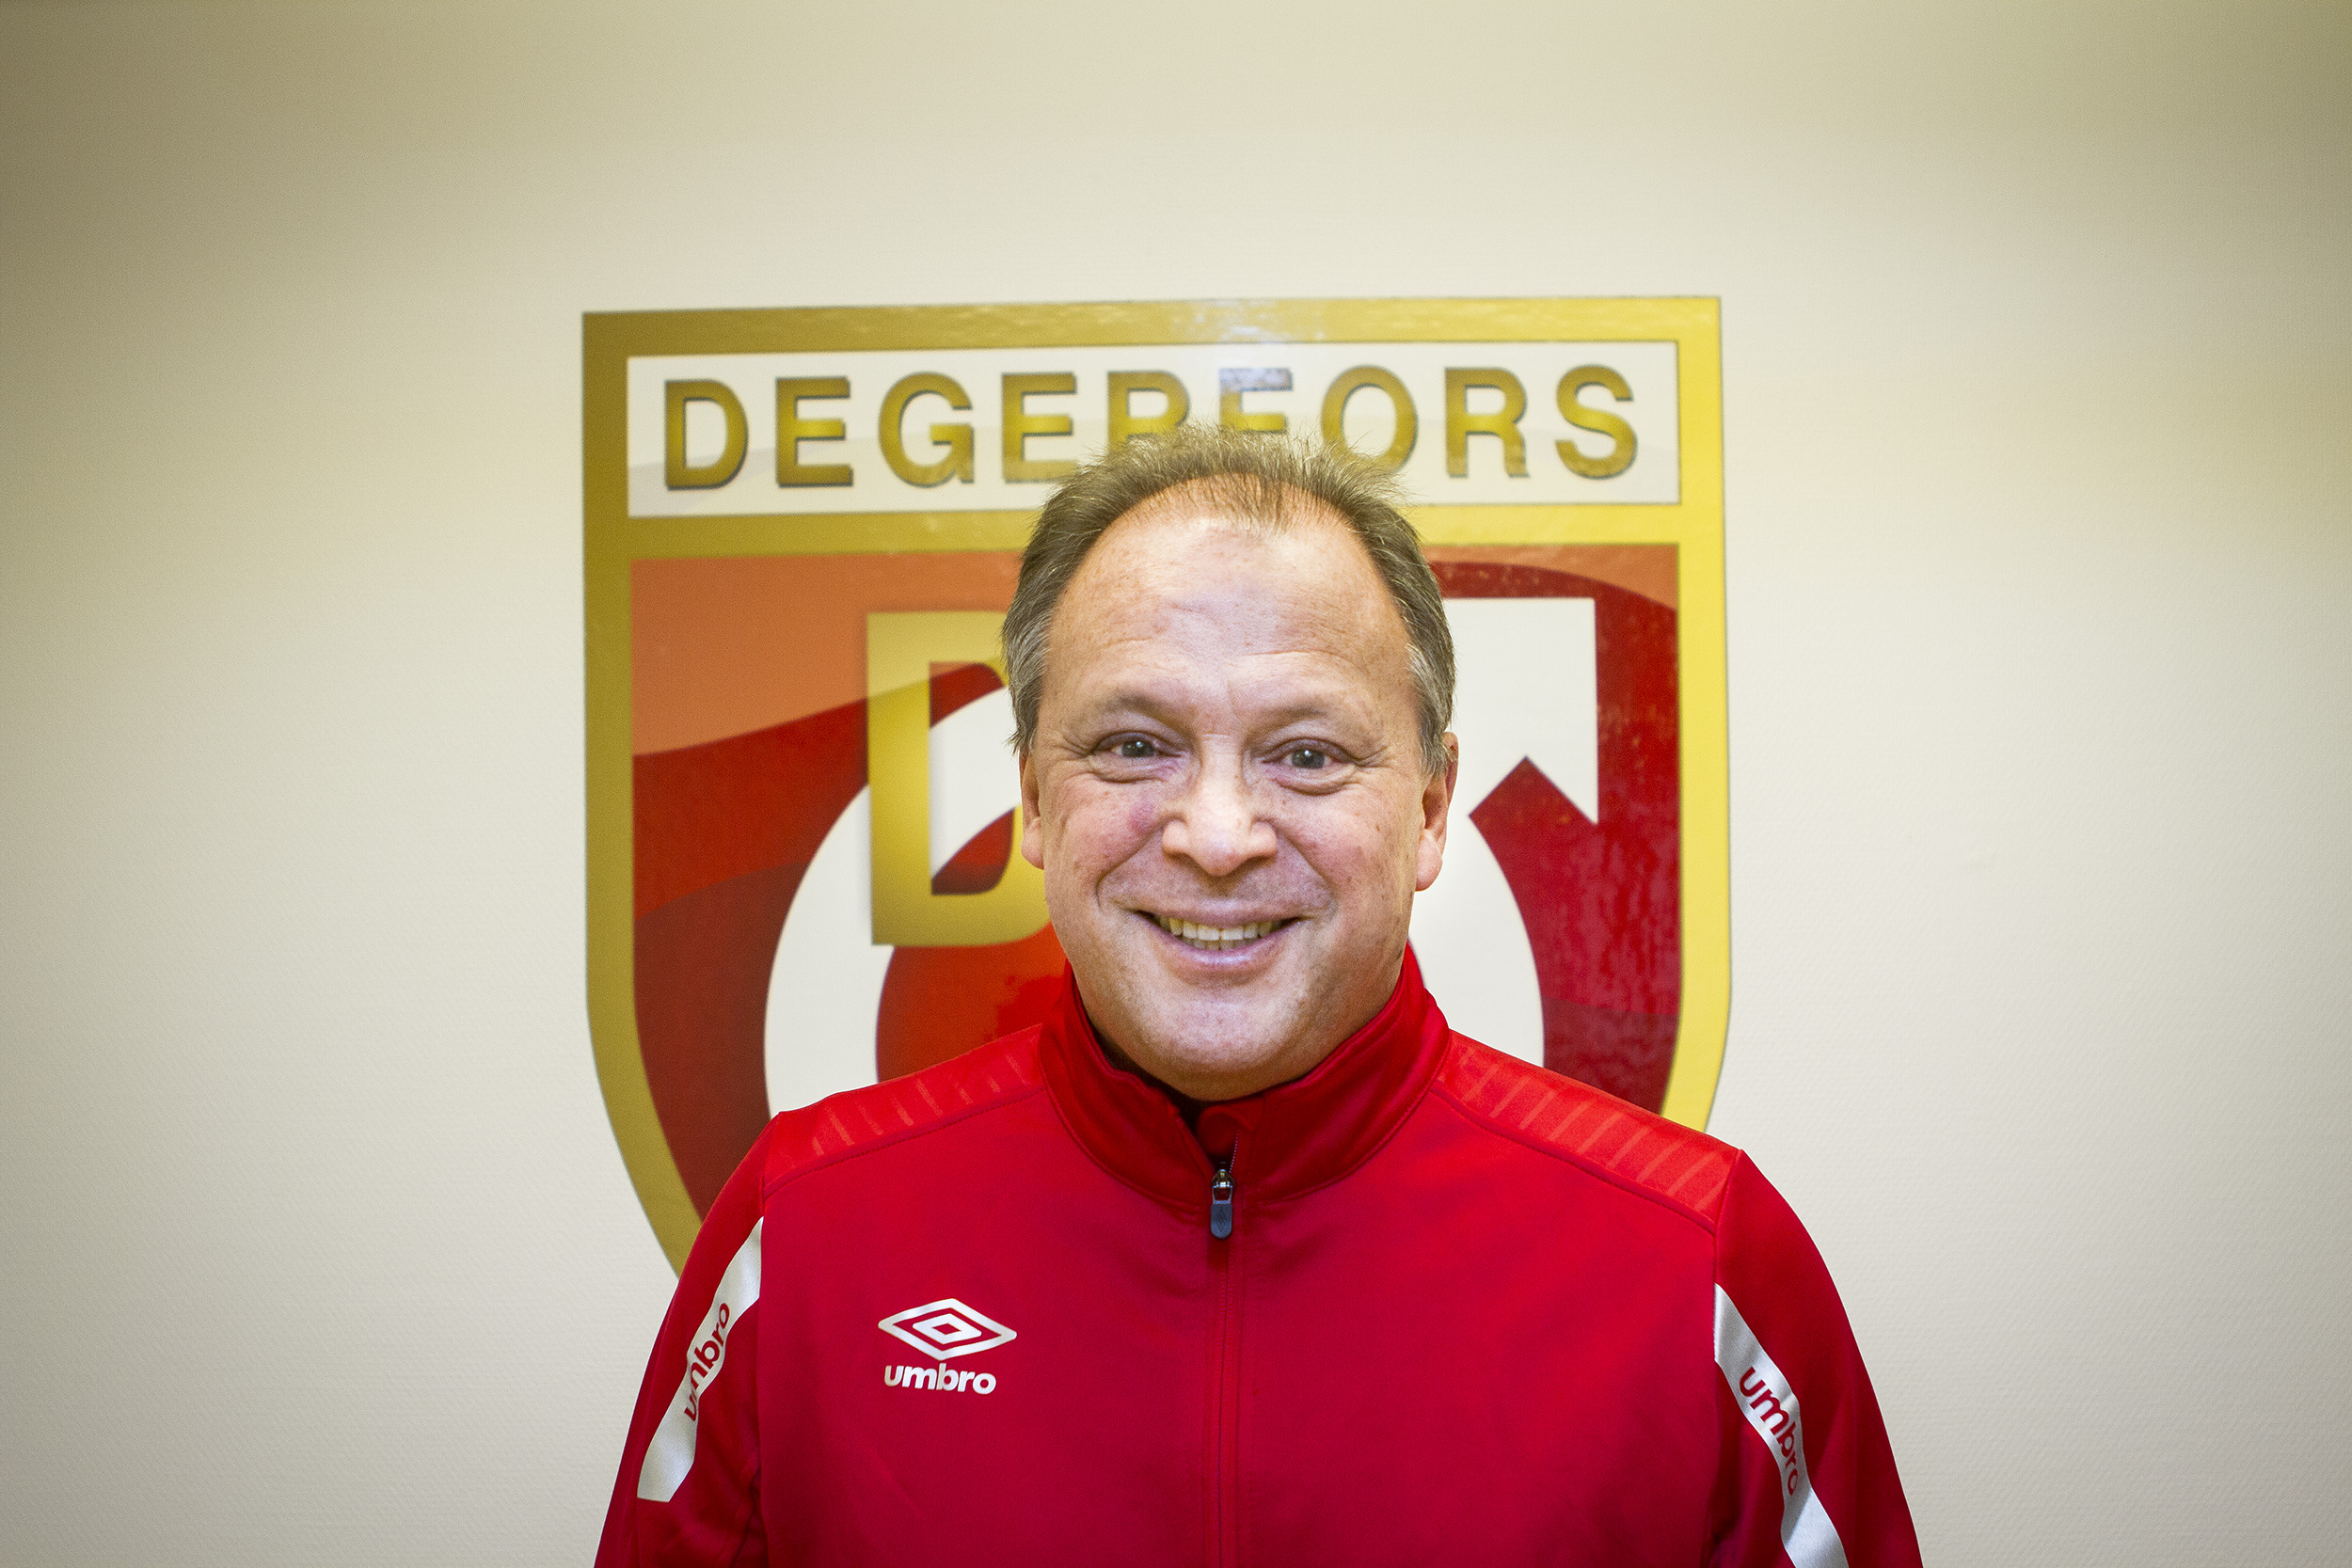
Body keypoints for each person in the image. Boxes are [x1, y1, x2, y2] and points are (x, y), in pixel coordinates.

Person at [595, 426, 1920, 1567]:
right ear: (1034, 799)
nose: (1219, 835)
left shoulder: (1700, 1266)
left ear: (1431, 809)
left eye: (1306, 753)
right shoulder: (802, 1235)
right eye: (1134, 745)